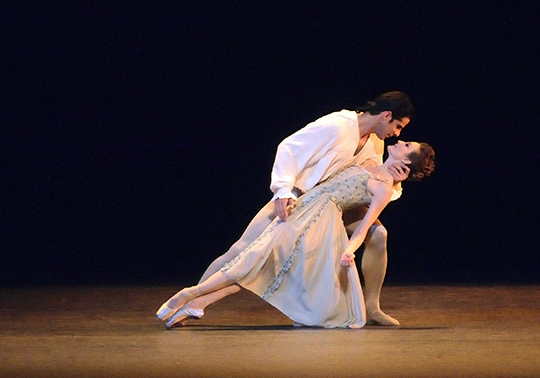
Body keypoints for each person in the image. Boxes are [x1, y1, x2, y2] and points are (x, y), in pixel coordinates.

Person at [165, 91, 415, 328]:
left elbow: (372, 180)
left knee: (378, 235)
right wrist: (283, 189)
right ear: (386, 116)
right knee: (243, 250)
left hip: (334, 206)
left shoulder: (375, 142)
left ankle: (371, 308)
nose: (396, 134)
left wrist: (395, 179)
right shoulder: (338, 125)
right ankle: (194, 302)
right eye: (398, 126)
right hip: (301, 198)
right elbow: (288, 147)